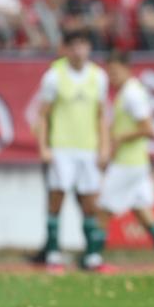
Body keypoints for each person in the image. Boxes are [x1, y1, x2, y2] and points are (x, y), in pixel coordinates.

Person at [87, 50, 154, 271]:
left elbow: (149, 129)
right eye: (109, 72)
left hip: (128, 164)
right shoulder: (128, 92)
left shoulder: (132, 94)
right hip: (136, 163)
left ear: (127, 69)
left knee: (102, 209)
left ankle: (92, 261)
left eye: (115, 71)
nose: (112, 76)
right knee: (144, 214)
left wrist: (120, 138)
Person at [32, 30, 109, 270]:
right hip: (62, 147)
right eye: (74, 46)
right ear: (67, 49)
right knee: (57, 198)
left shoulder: (99, 77)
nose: (79, 51)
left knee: (89, 202)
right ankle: (53, 254)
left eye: (83, 45)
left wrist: (104, 147)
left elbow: (101, 116)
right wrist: (44, 147)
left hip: (88, 148)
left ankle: (91, 256)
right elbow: (43, 115)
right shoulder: (54, 76)